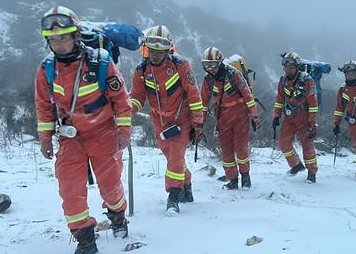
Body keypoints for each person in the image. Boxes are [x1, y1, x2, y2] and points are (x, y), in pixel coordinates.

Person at [34, 6, 132, 254]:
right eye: (53, 39)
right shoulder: (46, 69)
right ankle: (85, 240)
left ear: (76, 35)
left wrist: (124, 132)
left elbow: (121, 100)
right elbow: (44, 106)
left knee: (110, 188)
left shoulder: (99, 61)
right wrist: (45, 137)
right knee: (70, 190)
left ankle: (118, 217)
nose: (59, 44)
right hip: (71, 137)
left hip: (104, 134)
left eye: (64, 37)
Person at [129, 25, 204, 215]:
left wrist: (198, 123)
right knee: (172, 158)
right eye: (152, 48)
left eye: (160, 49)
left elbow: (194, 95)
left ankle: (173, 198)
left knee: (176, 157)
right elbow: (137, 97)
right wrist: (127, 110)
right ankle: (186, 186)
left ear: (168, 48)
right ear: (147, 48)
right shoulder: (141, 70)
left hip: (182, 118)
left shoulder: (180, 65)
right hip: (159, 121)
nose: (156, 53)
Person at [200, 46, 261, 189]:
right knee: (226, 152)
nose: (210, 68)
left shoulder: (234, 74)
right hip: (222, 119)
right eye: (206, 65)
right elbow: (203, 103)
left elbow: (248, 96)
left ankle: (245, 177)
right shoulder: (208, 80)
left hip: (240, 117)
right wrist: (198, 124)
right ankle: (233, 179)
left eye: (213, 64)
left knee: (241, 149)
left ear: (219, 62)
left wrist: (255, 117)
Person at [272, 52, 319, 183]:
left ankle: (312, 172)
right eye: (286, 67)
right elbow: (280, 99)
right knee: (283, 143)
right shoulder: (283, 81)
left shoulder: (307, 80)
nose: (288, 69)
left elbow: (313, 103)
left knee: (307, 145)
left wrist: (312, 122)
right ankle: (296, 165)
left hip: (304, 117)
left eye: (292, 67)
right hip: (289, 117)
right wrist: (276, 115)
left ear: (297, 66)